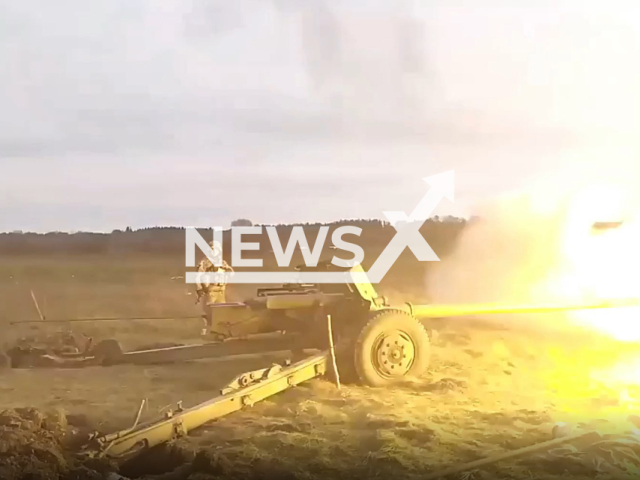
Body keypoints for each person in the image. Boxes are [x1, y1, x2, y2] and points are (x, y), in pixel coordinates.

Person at [195, 240, 234, 337]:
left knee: (222, 312)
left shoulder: (222, 262)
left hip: (221, 290)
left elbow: (232, 272)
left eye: (215, 249)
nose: (213, 252)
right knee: (209, 312)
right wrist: (199, 288)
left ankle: (220, 332)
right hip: (210, 290)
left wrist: (227, 271)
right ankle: (207, 332)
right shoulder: (205, 262)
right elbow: (198, 276)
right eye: (211, 249)